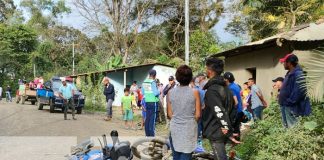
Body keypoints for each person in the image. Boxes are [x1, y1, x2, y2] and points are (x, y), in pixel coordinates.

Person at [202, 57, 240, 160]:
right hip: (222, 129)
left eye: (206, 69)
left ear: (209, 71)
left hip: (216, 131)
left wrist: (227, 130)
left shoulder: (212, 90)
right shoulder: (226, 88)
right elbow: (232, 109)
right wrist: (229, 128)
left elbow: (219, 111)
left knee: (221, 157)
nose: (205, 71)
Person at [167, 65, 201, 159]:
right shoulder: (195, 92)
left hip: (175, 129)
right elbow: (198, 115)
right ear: (191, 78)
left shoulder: (170, 92)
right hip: (189, 129)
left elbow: (170, 114)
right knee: (186, 156)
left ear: (177, 78)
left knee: (176, 156)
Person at [279, 54, 311, 128]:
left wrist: (289, 102)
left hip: (292, 107)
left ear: (289, 63)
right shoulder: (289, 74)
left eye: (284, 62)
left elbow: (299, 92)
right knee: (286, 127)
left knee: (293, 127)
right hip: (285, 105)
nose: (283, 64)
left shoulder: (298, 74)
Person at [224, 72, 244, 139]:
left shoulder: (231, 88)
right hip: (239, 110)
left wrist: (230, 111)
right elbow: (240, 98)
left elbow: (236, 102)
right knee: (236, 127)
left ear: (226, 79)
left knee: (233, 128)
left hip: (235, 111)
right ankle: (237, 142)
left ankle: (234, 143)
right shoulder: (236, 85)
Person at [141, 69, 160, 137]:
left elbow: (142, 92)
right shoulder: (153, 82)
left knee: (147, 118)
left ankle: (147, 135)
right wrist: (159, 91)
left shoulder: (144, 82)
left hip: (147, 101)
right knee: (152, 119)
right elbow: (155, 93)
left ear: (149, 74)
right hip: (153, 102)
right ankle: (152, 136)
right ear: (154, 75)